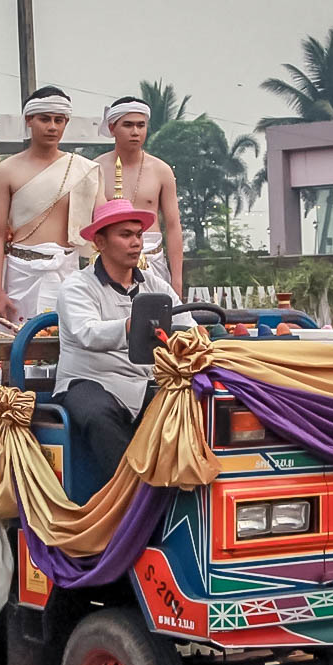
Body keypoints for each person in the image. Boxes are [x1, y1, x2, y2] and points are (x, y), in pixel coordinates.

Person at [0, 86, 105, 418]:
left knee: (68, 351)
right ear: (29, 120)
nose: (52, 127)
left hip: (68, 273)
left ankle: (62, 417)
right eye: (45, 119)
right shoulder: (7, 170)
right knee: (15, 355)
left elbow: (101, 230)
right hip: (21, 273)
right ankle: (11, 424)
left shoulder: (82, 169)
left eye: (59, 120)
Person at [53, 199, 193, 488]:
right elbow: (87, 333)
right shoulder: (77, 286)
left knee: (196, 405)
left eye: (138, 235)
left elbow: (187, 325)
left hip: (145, 382)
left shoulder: (156, 285)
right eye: (125, 235)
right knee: (98, 414)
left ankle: (180, 497)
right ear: (100, 243)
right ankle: (128, 504)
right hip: (90, 380)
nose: (136, 243)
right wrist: (131, 327)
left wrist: (198, 337)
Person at [95, 96, 183, 293]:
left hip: (153, 259)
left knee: (157, 322)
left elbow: (173, 225)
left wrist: (177, 279)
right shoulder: (96, 169)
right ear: (112, 128)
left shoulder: (161, 170)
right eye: (127, 125)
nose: (135, 132)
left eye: (140, 125)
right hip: (111, 261)